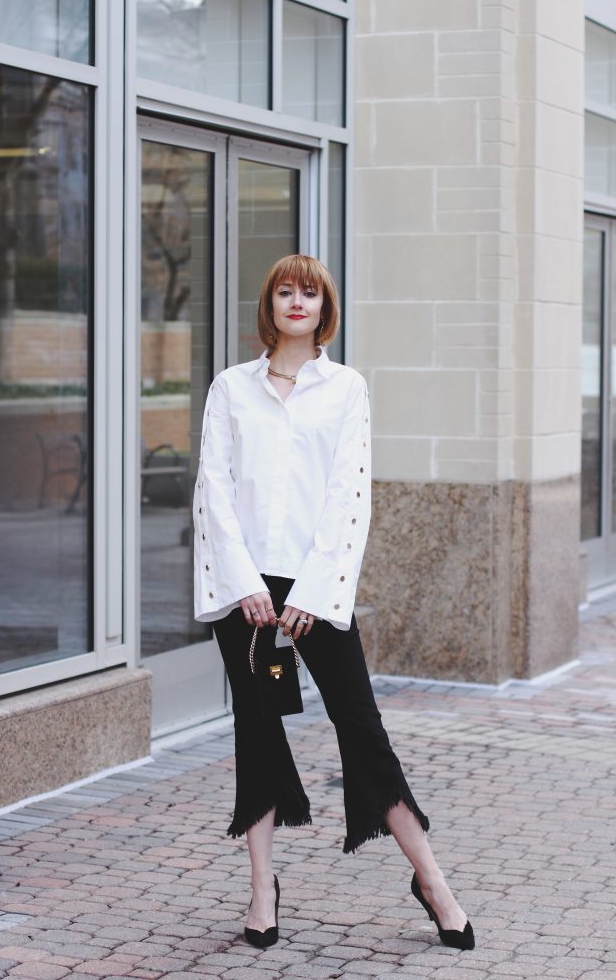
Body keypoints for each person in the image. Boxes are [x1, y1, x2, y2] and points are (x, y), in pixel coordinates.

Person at [192, 254, 474, 952]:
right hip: (247, 594)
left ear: (325, 309)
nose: (296, 302)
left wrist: (313, 594)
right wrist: (246, 586)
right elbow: (213, 491)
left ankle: (432, 882)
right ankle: (262, 889)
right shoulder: (232, 388)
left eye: (308, 293)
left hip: (316, 591)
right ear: (270, 303)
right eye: (285, 291)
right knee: (258, 731)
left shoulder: (345, 388)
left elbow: (349, 495)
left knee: (361, 728)